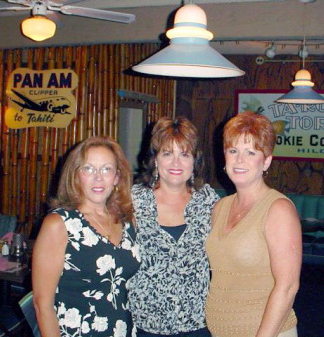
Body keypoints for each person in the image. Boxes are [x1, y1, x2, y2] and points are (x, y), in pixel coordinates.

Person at [205, 111, 302, 337]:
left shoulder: (278, 209)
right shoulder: (221, 207)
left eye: (250, 152)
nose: (240, 160)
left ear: (266, 160)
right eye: (233, 151)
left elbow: (287, 287)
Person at [32, 136, 141, 337]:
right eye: (88, 169)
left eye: (106, 169)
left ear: (117, 177)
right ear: (75, 176)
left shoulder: (127, 220)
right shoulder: (59, 224)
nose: (98, 177)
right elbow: (42, 304)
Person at [128, 116, 219, 336]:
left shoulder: (208, 200)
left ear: (194, 161)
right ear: (155, 159)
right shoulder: (132, 201)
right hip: (145, 324)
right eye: (167, 153)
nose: (176, 163)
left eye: (184, 154)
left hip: (198, 323)